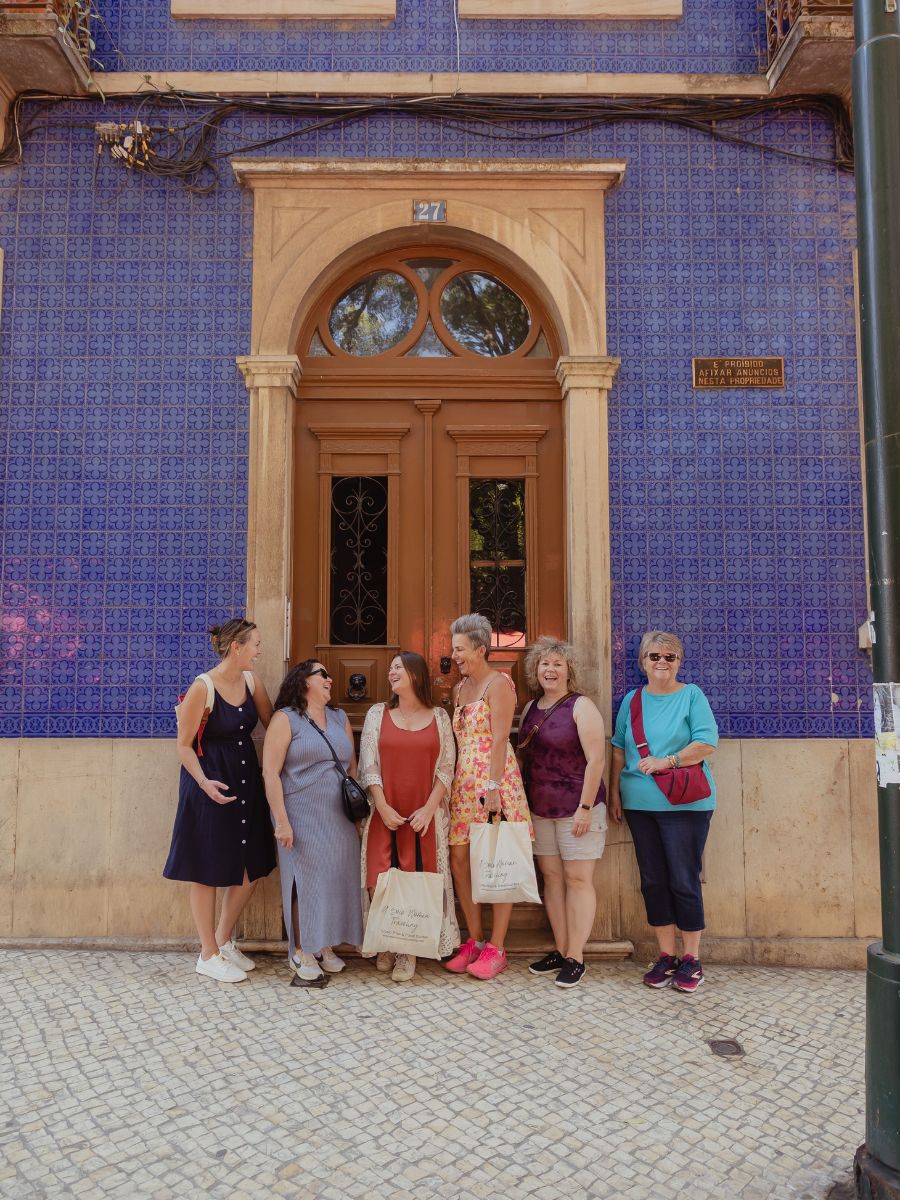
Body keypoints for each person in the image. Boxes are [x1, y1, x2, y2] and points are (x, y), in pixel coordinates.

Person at [164, 618, 276, 983]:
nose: (260, 651)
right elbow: (183, 746)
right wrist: (203, 783)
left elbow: (272, 722)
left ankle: (224, 940)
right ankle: (207, 952)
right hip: (210, 781)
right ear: (236, 647)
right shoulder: (203, 686)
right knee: (206, 867)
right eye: (256, 644)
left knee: (251, 863)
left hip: (246, 782)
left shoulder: (251, 682)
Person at [609, 630, 718, 994]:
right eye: (654, 656)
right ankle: (666, 955)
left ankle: (692, 959)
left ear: (678, 663)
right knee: (652, 880)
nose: (661, 662)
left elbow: (706, 743)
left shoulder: (691, 695)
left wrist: (666, 761)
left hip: (685, 805)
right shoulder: (631, 700)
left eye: (669, 657)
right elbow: (618, 750)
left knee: (683, 879)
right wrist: (613, 793)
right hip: (640, 805)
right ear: (643, 662)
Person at [358, 651, 459, 982]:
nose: (391, 672)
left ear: (415, 675)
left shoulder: (439, 718)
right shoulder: (378, 714)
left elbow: (447, 767)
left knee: (417, 879)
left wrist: (430, 809)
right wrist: (382, 806)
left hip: (423, 816)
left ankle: (408, 950)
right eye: (390, 668)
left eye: (397, 667)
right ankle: (386, 940)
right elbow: (368, 763)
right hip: (385, 812)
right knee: (380, 879)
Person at [262, 660, 364, 983]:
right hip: (300, 813)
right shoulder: (285, 719)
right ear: (304, 681)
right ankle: (303, 950)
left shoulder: (339, 717)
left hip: (338, 815)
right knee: (304, 882)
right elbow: (270, 773)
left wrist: (356, 812)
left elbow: (351, 766)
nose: (330, 679)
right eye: (323, 674)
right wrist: (281, 819)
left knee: (334, 878)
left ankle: (325, 945)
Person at [446, 613, 533, 980]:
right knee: (460, 860)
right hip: (462, 784)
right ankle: (476, 941)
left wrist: (494, 788)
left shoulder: (500, 685)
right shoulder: (459, 689)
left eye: (461, 649)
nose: (455, 656)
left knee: (497, 860)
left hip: (493, 784)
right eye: (453, 649)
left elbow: (500, 738)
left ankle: (498, 947)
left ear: (481, 649)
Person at [518, 637, 607, 989]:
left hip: (577, 808)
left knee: (578, 880)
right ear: (535, 670)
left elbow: (596, 760)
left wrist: (585, 807)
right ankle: (560, 948)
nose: (550, 670)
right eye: (544, 664)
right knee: (552, 880)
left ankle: (576, 957)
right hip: (541, 807)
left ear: (569, 670)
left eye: (557, 664)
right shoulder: (531, 709)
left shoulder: (581, 706)